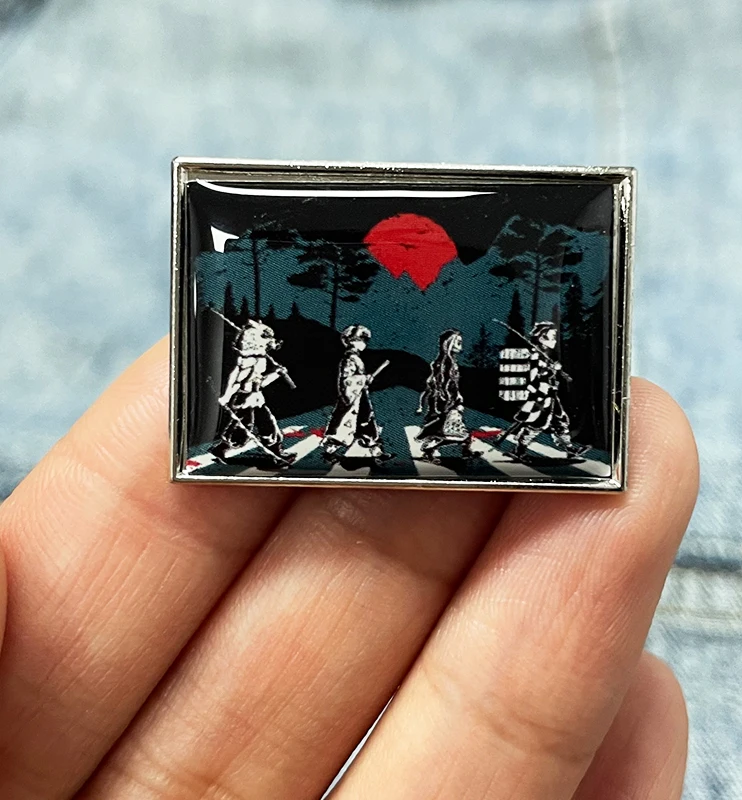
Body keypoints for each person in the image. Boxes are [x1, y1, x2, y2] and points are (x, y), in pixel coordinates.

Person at [0, 339, 698, 799]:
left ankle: (369, 438)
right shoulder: (326, 365)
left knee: (360, 424)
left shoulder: (421, 364)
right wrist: (307, 378)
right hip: (296, 412)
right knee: (304, 424)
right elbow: (305, 377)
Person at [210, 319, 296, 466]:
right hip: (245, 398)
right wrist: (227, 396)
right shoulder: (249, 360)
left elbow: (259, 383)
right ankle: (276, 453)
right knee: (253, 425)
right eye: (267, 339)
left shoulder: (258, 359)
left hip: (254, 397)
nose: (271, 343)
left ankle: (222, 448)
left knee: (255, 424)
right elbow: (239, 381)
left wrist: (276, 374)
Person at [506, 320, 589, 461]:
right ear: (542, 337)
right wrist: (548, 372)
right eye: (552, 336)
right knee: (537, 423)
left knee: (559, 420)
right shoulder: (534, 355)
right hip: (541, 396)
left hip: (550, 394)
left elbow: (545, 374)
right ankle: (519, 450)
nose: (555, 340)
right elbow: (532, 378)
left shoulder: (545, 355)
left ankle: (570, 449)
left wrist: (552, 370)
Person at [322, 324, 392, 464]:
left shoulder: (355, 358)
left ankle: (377, 452)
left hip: (360, 396)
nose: (363, 343)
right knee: (344, 425)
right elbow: (346, 380)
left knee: (367, 422)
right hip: (353, 398)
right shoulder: (349, 359)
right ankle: (329, 452)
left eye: (364, 340)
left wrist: (364, 379)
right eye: (359, 340)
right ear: (350, 341)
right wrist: (364, 379)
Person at [416, 329, 474, 462]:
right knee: (453, 432)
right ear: (449, 343)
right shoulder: (446, 363)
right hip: (447, 403)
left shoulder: (448, 362)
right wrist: (454, 401)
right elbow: (444, 385)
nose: (461, 346)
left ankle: (465, 451)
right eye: (458, 342)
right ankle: (430, 449)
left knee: (453, 431)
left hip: (447, 402)